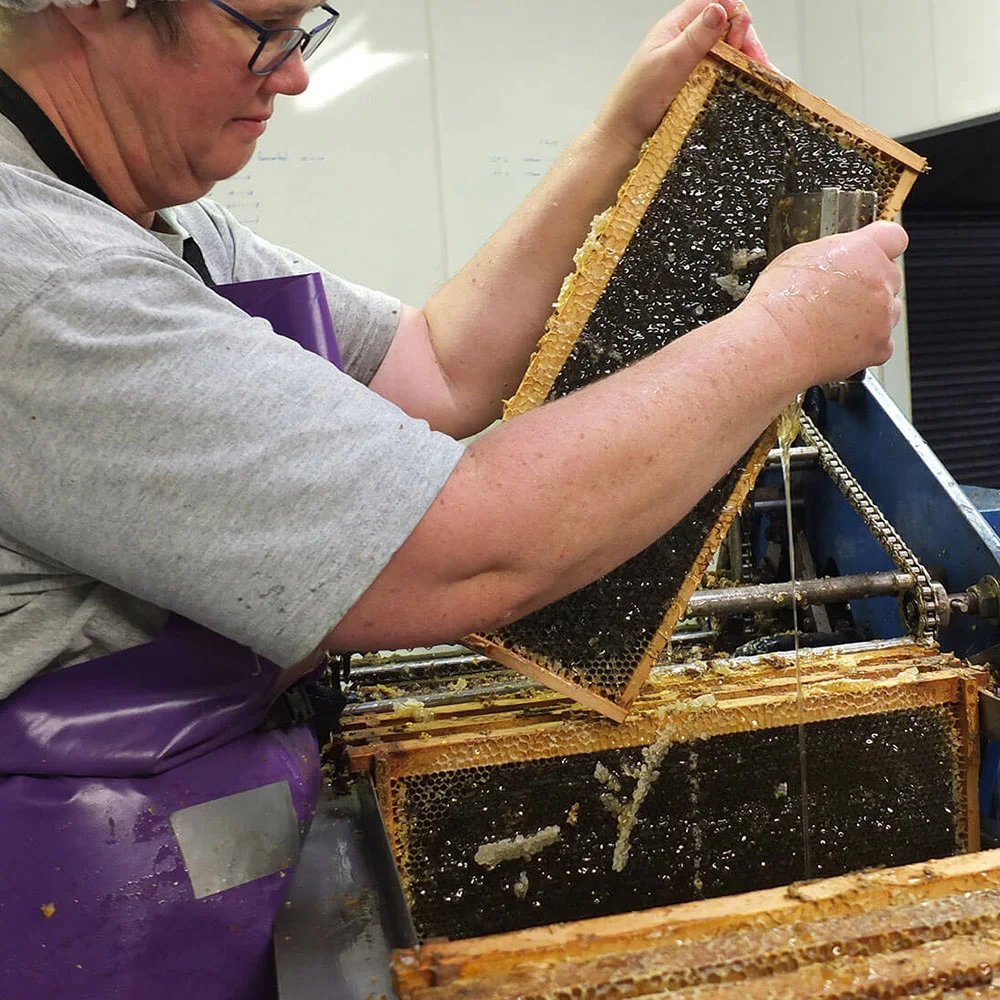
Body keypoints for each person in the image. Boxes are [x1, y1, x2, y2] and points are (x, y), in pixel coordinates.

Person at [0, 0, 906, 994]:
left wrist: (619, 137)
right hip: (66, 916)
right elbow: (463, 547)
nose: (296, 75)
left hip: (191, 844)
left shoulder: (154, 225)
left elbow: (434, 363)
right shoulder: (33, 273)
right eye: (263, 27)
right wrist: (781, 339)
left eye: (308, 28)